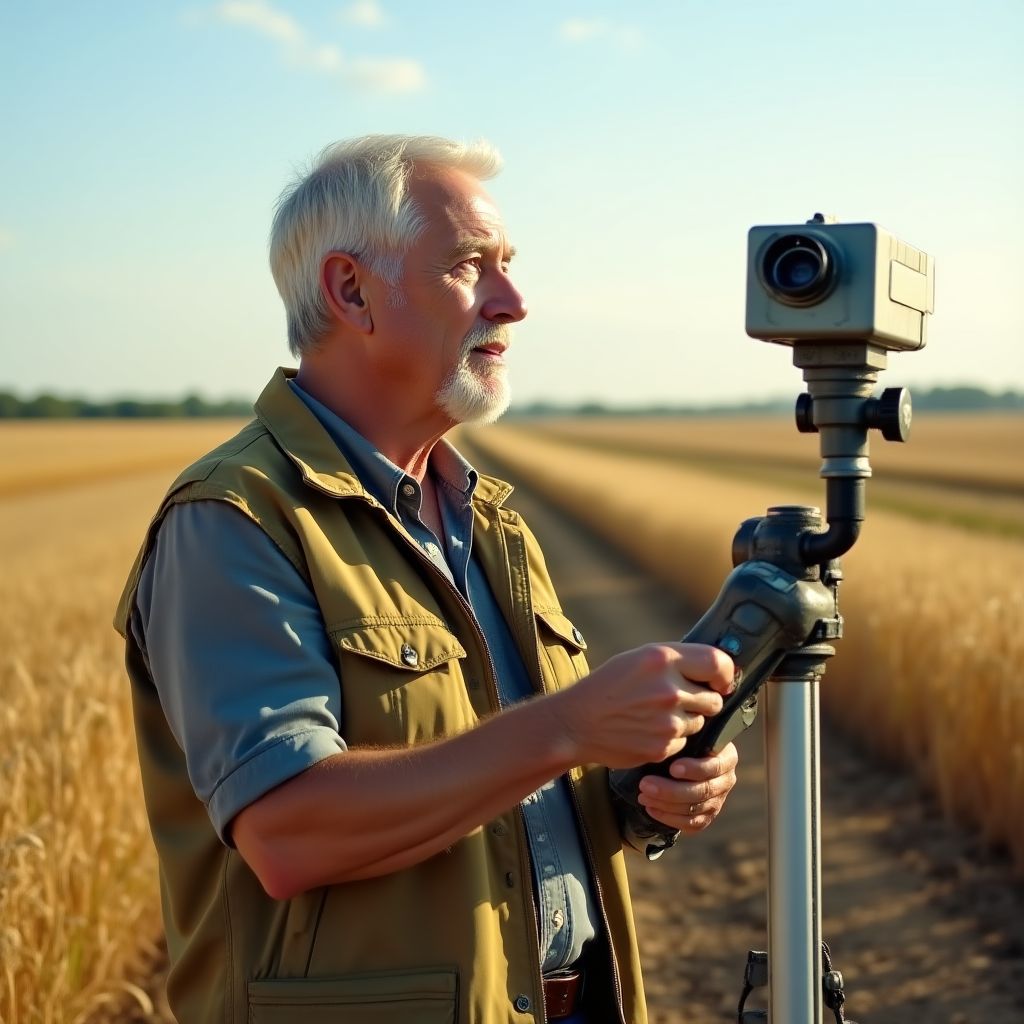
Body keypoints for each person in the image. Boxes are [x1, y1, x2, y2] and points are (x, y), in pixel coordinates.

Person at [114, 134, 740, 1024]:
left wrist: (639, 792)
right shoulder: (237, 521)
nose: (514, 301)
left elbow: (507, 791)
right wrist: (568, 726)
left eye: (509, 265)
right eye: (468, 267)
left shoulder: (488, 521)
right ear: (351, 291)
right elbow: (289, 833)